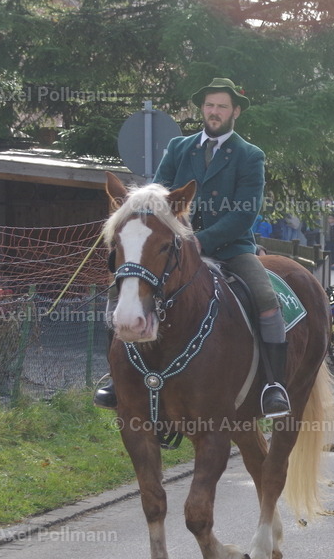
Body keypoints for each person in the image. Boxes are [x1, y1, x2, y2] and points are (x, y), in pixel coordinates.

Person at [94, 77, 291, 418]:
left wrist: (202, 240)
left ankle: (273, 384)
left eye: (222, 107)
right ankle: (115, 375)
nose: (215, 112)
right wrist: (174, 237)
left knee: (265, 298)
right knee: (120, 288)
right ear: (202, 109)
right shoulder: (178, 148)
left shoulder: (250, 156)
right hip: (174, 248)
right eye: (210, 105)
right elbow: (157, 199)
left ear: (236, 112)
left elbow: (245, 213)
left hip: (231, 249)